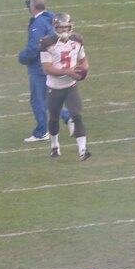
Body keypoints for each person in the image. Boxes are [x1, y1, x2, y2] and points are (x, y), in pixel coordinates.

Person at [41, 12, 92, 160]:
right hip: (54, 87)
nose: (64, 30)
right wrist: (67, 72)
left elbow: (84, 60)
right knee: (54, 119)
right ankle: (54, 146)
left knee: (77, 116)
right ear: (55, 27)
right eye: (61, 27)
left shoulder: (77, 40)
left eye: (66, 27)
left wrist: (84, 71)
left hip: (71, 86)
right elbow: (47, 68)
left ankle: (83, 150)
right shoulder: (47, 43)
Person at [19, 0, 56, 143]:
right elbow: (38, 10)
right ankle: (69, 118)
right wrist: (30, 3)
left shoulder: (38, 24)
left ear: (34, 7)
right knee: (50, 97)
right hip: (50, 63)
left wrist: (22, 57)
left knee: (38, 100)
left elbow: (35, 47)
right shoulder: (49, 17)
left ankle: (42, 132)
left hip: (39, 67)